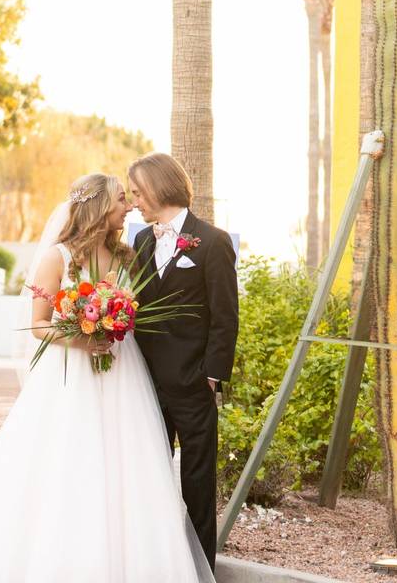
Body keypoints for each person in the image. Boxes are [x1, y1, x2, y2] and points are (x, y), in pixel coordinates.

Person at [0, 173, 214, 583]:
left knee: (128, 466)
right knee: (70, 465)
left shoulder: (127, 256)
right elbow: (37, 325)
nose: (128, 207)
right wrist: (82, 339)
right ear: (101, 206)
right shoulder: (56, 258)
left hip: (123, 375)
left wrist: (115, 326)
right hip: (69, 379)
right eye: (122, 199)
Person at [128, 153, 239, 572]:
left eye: (138, 191)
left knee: (196, 483)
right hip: (143, 384)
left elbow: (225, 318)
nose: (135, 200)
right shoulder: (141, 241)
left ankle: (199, 570)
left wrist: (210, 378)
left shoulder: (211, 241)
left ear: (159, 187)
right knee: (148, 477)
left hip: (193, 385)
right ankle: (155, 565)